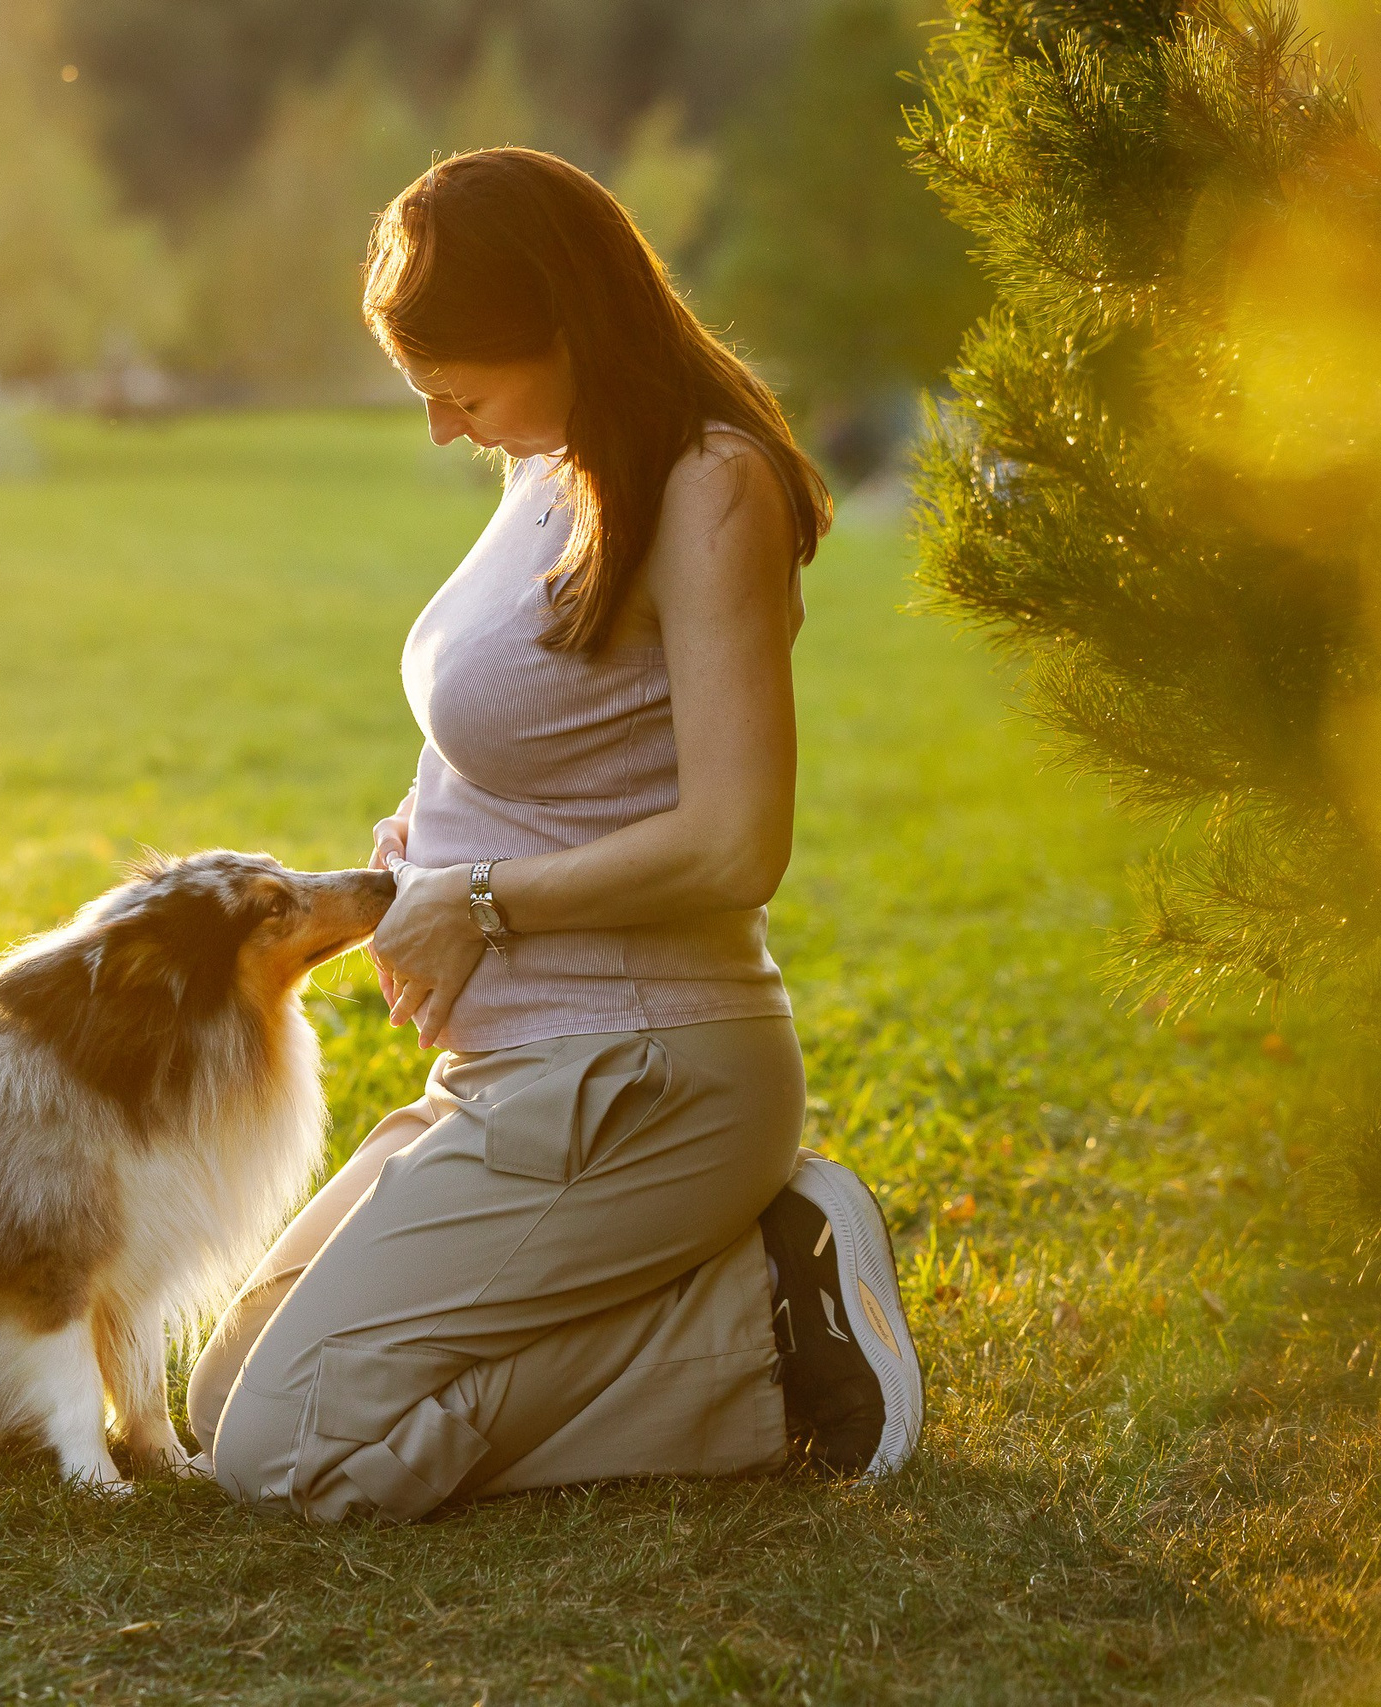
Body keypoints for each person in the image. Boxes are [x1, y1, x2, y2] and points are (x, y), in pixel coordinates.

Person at [187, 148, 922, 1523]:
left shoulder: (711, 490)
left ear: (567, 327)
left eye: (462, 393)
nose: (445, 431)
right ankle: (725, 1297)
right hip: (511, 1070)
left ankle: (767, 1338)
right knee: (220, 1400)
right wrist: (434, 835)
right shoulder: (554, 461)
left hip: (642, 1068)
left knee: (280, 1452)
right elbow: (560, 728)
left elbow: (734, 844)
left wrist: (478, 898)